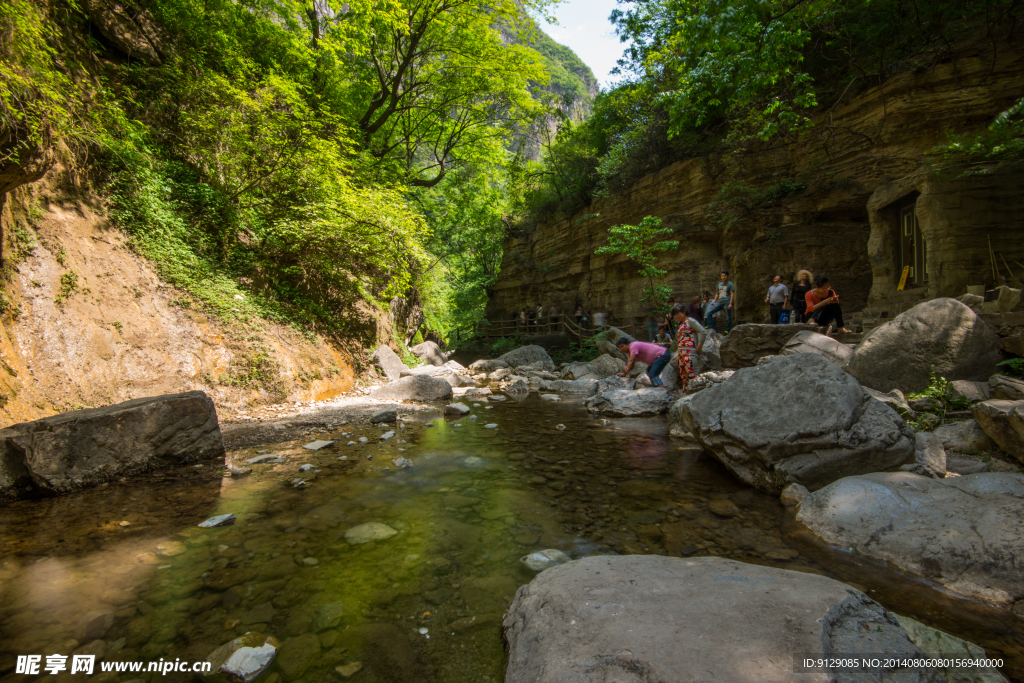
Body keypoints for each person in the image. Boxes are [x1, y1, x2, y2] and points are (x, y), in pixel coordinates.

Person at [671, 304, 704, 393]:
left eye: (677, 314)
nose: (675, 317)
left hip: (690, 351)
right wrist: (678, 355)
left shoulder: (690, 321)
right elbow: (680, 340)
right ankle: (686, 397)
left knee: (693, 375)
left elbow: (702, 331)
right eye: (674, 316)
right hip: (682, 353)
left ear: (684, 312)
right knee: (684, 376)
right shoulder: (681, 325)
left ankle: (696, 396)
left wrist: (699, 347)